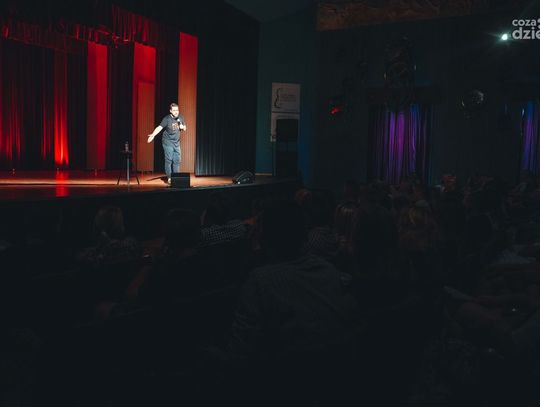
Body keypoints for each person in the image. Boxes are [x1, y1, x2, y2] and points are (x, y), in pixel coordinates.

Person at [147, 103, 186, 184]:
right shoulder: (167, 119)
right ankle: (169, 177)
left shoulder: (181, 117)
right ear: (170, 111)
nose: (176, 112)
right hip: (167, 142)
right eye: (174, 110)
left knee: (177, 160)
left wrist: (183, 127)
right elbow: (159, 127)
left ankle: (176, 177)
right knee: (169, 159)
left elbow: (185, 127)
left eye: (177, 110)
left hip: (176, 142)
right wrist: (153, 135)